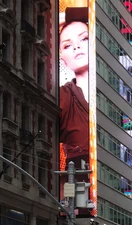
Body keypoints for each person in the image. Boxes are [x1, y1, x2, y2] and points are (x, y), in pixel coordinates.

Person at [59, 8, 90, 168]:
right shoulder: (63, 96)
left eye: (84, 39)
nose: (76, 47)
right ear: (63, 61)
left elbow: (96, 12)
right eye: (67, 45)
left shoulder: (118, 89)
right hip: (77, 179)